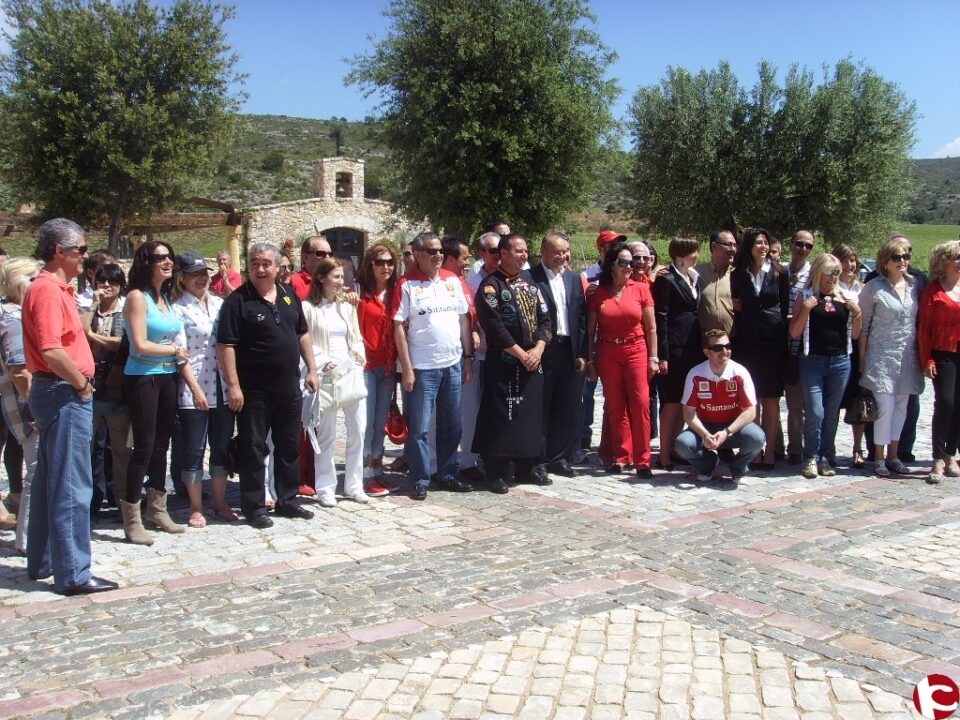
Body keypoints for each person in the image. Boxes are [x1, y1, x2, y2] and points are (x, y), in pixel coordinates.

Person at [21, 218, 118, 595]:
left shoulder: (52, 289)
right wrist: (81, 384)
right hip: (64, 391)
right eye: (80, 249)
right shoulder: (46, 291)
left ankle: (43, 559)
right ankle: (74, 572)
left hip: (58, 390)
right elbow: (51, 349)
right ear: (59, 251)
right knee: (72, 485)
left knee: (50, 478)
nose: (85, 256)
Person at [218, 242, 319, 527]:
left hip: (288, 387)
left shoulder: (288, 295)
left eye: (265, 264)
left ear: (277, 267)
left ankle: (288, 499)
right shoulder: (237, 302)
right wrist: (234, 386)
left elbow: (302, 333)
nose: (260, 269)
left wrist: (311, 368)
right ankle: (254, 506)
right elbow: (226, 346)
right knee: (253, 448)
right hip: (254, 391)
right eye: (254, 263)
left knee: (288, 447)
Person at [394, 232, 473, 501]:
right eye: (431, 251)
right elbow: (398, 328)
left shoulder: (453, 280)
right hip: (423, 367)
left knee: (452, 424)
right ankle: (419, 477)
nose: (438, 255)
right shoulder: (406, 284)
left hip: (452, 363)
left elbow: (464, 321)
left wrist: (468, 357)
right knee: (420, 428)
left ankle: (448, 472)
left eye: (440, 250)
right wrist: (407, 368)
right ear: (417, 255)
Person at [474, 234, 551, 492]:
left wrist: (538, 349)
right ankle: (496, 471)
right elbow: (495, 327)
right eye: (518, 251)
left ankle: (526, 466)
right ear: (503, 254)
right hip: (505, 362)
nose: (524, 255)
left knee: (529, 416)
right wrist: (521, 354)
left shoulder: (531, 285)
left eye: (526, 251)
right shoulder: (490, 287)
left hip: (533, 361)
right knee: (501, 416)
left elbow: (545, 321)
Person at [122, 241, 186, 541]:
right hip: (143, 377)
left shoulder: (166, 298)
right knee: (144, 447)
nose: (167, 262)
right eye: (159, 257)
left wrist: (174, 353)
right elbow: (139, 344)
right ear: (146, 262)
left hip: (168, 376)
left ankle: (157, 508)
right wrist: (174, 349)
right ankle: (132, 518)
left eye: (169, 256)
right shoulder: (137, 298)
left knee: (162, 445)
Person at [172, 252, 238, 528]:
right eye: (194, 274)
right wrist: (195, 388)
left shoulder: (220, 304)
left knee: (221, 446)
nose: (201, 278)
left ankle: (220, 502)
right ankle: (196, 506)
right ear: (182, 279)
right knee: (194, 449)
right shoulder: (178, 309)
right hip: (195, 386)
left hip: (222, 385)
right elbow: (180, 355)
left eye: (204, 273)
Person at [586, 242, 658, 478]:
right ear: (612, 265)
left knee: (640, 403)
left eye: (633, 262)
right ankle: (621, 456)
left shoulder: (640, 289)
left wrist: (653, 357)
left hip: (636, 350)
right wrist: (591, 361)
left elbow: (651, 328)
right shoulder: (599, 293)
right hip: (608, 352)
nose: (631, 266)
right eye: (624, 262)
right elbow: (590, 331)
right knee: (615, 406)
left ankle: (643, 460)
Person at [303, 258, 369, 506]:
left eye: (343, 277)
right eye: (336, 277)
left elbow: (356, 337)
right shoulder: (308, 308)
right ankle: (326, 487)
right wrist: (321, 361)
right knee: (326, 435)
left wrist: (358, 359)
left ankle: (354, 484)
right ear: (321, 278)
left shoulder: (347, 307)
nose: (341, 282)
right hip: (326, 375)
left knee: (358, 430)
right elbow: (305, 340)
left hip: (350, 372)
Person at [789, 254, 862, 479]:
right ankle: (810, 456)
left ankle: (825, 456)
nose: (832, 278)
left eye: (836, 273)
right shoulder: (807, 295)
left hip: (840, 361)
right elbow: (794, 332)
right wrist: (806, 309)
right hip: (812, 361)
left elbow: (856, 334)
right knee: (815, 412)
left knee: (831, 414)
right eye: (829, 273)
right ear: (818, 273)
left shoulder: (846, 296)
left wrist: (857, 313)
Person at [858, 236, 924, 477]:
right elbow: (863, 327)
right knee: (884, 407)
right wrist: (863, 362)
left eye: (906, 256)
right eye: (897, 257)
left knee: (901, 408)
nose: (903, 261)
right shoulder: (873, 287)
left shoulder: (915, 285)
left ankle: (894, 455)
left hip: (907, 357)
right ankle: (879, 458)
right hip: (881, 357)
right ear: (885, 261)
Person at [730, 228, 789, 469]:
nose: (763, 247)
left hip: (773, 341)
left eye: (766, 242)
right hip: (747, 342)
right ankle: (754, 450)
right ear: (749, 247)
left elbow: (784, 309)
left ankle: (771, 452)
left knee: (771, 398)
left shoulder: (779, 273)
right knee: (751, 399)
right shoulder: (738, 274)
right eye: (758, 243)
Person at [675, 329, 766, 482]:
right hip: (705, 427)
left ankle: (738, 468)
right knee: (682, 444)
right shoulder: (695, 373)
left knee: (757, 437)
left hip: (733, 428)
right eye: (717, 348)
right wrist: (705, 435)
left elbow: (751, 411)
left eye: (728, 346)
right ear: (707, 352)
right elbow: (688, 412)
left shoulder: (740, 372)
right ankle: (708, 464)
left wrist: (726, 432)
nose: (724, 351)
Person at [531, 232, 586, 477]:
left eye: (565, 252)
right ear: (542, 252)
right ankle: (538, 459)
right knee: (541, 405)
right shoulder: (530, 278)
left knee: (566, 406)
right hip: (544, 350)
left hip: (569, 349)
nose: (561, 257)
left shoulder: (574, 279)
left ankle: (559, 458)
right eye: (556, 252)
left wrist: (583, 352)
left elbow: (582, 317)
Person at [81, 263, 132, 522]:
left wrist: (92, 336)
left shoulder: (124, 311)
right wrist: (92, 307)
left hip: (115, 390)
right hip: (89, 388)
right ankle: (90, 502)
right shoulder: (89, 310)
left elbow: (121, 344)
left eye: (112, 281)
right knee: (88, 450)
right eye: (102, 281)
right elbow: (79, 331)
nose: (106, 286)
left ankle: (125, 505)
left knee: (122, 451)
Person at [0, 257, 42, 553]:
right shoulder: (13, 319)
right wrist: (36, 408)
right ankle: (29, 538)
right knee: (37, 469)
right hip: (25, 407)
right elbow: (19, 370)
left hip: (22, 403)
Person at [653, 237, 701, 470]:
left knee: (685, 400)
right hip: (674, 348)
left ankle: (674, 447)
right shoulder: (667, 280)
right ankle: (663, 453)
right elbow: (661, 318)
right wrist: (663, 355)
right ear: (681, 255)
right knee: (671, 401)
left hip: (692, 348)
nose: (697, 256)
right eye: (694, 252)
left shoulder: (693, 278)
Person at [356, 243, 400, 496]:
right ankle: (363, 475)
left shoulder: (397, 292)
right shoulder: (360, 292)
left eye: (389, 262)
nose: (385, 267)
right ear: (370, 265)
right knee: (367, 424)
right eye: (380, 262)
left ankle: (377, 471)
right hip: (366, 365)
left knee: (380, 422)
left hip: (387, 367)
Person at [460, 231, 501, 482]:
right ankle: (470, 459)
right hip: (478, 354)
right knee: (473, 409)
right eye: (493, 251)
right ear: (482, 254)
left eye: (501, 250)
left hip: (502, 354)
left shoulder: (514, 276)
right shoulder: (473, 279)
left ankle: (495, 456)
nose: (498, 255)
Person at [919, 240, 960, 484]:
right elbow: (924, 329)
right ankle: (936, 457)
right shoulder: (933, 290)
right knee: (945, 402)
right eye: (956, 257)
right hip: (942, 353)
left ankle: (951, 454)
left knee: (959, 406)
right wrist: (927, 358)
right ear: (944, 262)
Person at [784, 230, 816, 464]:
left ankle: (795, 449)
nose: (803, 249)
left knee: (796, 403)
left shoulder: (813, 276)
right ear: (791, 244)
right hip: (775, 345)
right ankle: (773, 448)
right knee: (771, 399)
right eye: (799, 244)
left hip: (798, 346)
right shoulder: (779, 271)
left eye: (808, 245)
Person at [833, 244, 867, 468]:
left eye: (853, 260)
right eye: (845, 260)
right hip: (834, 347)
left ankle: (857, 447)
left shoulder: (863, 289)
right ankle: (830, 446)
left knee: (857, 401)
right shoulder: (829, 286)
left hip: (856, 348)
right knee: (833, 402)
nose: (850, 265)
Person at [696, 230, 737, 336]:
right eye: (728, 244)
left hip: (733, 343)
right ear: (714, 246)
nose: (733, 249)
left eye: (735, 245)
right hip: (704, 344)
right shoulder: (696, 273)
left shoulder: (738, 275)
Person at [291, 235, 333, 300]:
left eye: (330, 254)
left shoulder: (333, 280)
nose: (327, 257)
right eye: (320, 253)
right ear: (305, 258)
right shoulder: (294, 281)